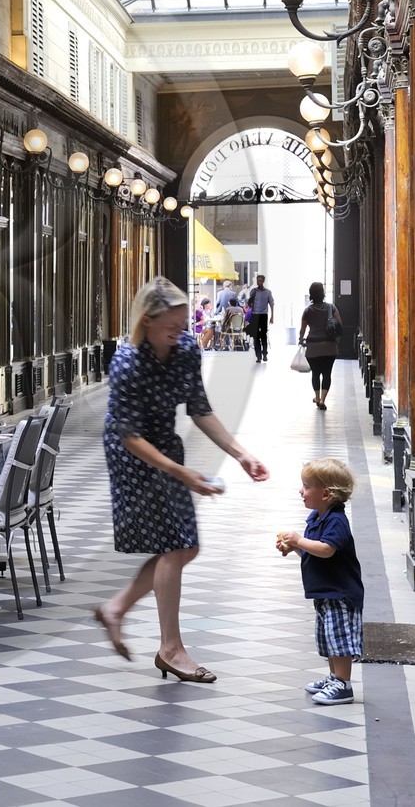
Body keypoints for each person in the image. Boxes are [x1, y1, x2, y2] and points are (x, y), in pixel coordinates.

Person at [92, 276, 268, 681]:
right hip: (131, 454)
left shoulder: (187, 349)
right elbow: (129, 435)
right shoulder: (127, 362)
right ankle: (171, 647)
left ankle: (116, 609)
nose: (180, 332)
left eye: (183, 323)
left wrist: (241, 454)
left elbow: (200, 409)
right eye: (171, 325)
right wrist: (181, 473)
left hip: (167, 447)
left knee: (184, 548)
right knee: (177, 545)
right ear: (148, 321)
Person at [276, 457, 364, 705]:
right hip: (325, 592)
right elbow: (313, 553)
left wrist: (298, 540)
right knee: (329, 638)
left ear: (325, 493)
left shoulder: (336, 521)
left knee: (340, 641)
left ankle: (343, 685)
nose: (301, 491)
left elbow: (326, 550)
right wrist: (293, 547)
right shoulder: (316, 518)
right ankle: (334, 676)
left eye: (306, 486)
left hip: (341, 593)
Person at [298, 282, 343, 410]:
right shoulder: (331, 308)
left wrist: (301, 339)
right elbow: (340, 324)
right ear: (322, 293)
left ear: (311, 294)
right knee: (327, 373)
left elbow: (302, 329)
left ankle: (317, 397)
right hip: (329, 346)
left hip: (313, 348)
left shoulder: (307, 311)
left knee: (316, 373)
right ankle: (323, 400)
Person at [245, 274, 276, 363]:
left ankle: (265, 354)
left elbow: (271, 304)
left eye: (260, 281)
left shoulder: (268, 292)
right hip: (255, 315)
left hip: (263, 315)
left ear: (263, 281)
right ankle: (258, 356)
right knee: (256, 336)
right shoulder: (253, 291)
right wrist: (252, 296)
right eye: (257, 280)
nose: (259, 282)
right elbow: (249, 303)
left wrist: (272, 316)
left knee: (263, 335)